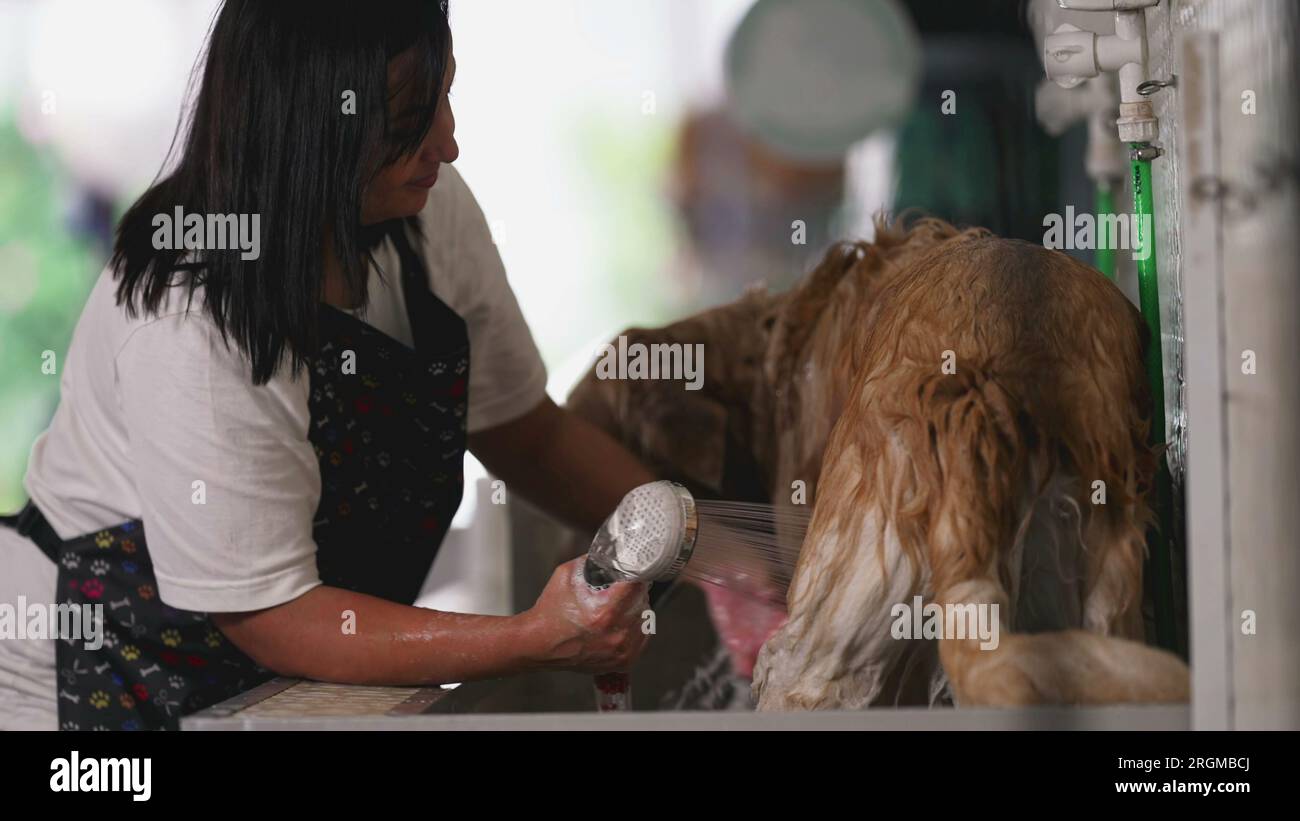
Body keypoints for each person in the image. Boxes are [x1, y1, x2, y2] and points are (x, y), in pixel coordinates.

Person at [0, 0, 654, 731]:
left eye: (447, 96)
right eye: (412, 117)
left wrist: (703, 547)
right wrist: (534, 638)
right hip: (87, 672)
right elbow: (276, 616)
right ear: (315, 125)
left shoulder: (431, 213)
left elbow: (527, 434)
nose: (450, 143)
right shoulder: (194, 315)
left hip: (277, 668)